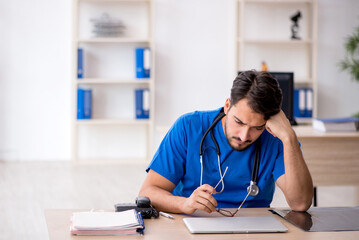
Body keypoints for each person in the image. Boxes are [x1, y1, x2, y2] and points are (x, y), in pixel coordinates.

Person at [139, 70, 313, 215]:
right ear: (227, 105)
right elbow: (149, 192)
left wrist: (289, 137)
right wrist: (184, 204)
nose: (244, 136)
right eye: (239, 122)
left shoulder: (276, 138)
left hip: (254, 229)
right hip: (193, 223)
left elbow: (300, 203)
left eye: (257, 127)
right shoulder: (188, 127)